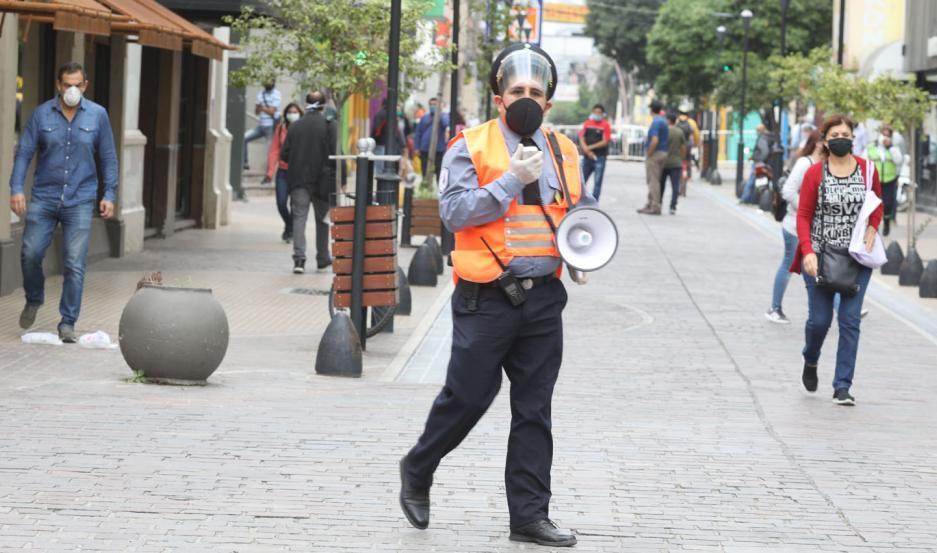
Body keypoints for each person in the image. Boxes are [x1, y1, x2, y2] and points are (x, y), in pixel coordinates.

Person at [399, 43, 596, 548]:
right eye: (517, 91)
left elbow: (579, 211)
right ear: (498, 97)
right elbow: (456, 214)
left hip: (543, 300)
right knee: (467, 397)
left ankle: (529, 517)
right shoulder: (471, 146)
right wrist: (512, 179)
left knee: (534, 409)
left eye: (535, 91)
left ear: (549, 101)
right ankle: (418, 467)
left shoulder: (565, 150)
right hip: (485, 297)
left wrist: (580, 253)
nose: (526, 99)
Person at [9, 62, 118, 343]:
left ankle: (67, 322)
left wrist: (109, 194)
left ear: (85, 85)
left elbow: (107, 157)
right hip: (44, 196)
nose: (72, 90)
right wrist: (16, 188)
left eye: (77, 85)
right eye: (67, 84)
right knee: (30, 253)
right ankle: (34, 298)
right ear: (58, 85)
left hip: (81, 199)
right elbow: (24, 153)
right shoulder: (41, 114)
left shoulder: (98, 116)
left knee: (74, 263)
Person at [790, 114, 882, 406]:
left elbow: (877, 205)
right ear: (826, 140)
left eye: (847, 133)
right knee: (820, 321)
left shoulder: (868, 171)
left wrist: (871, 228)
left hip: (856, 257)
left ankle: (843, 385)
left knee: (850, 320)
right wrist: (807, 251)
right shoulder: (815, 173)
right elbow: (803, 215)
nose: (842, 137)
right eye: (836, 134)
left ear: (853, 139)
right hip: (819, 256)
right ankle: (811, 357)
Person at [767, 130, 824, 324]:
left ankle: (844, 308)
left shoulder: (828, 166)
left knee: (821, 268)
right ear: (818, 143)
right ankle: (774, 308)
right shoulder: (805, 163)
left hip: (814, 228)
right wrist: (808, 209)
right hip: (794, 226)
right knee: (789, 265)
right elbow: (788, 191)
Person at [281, 91, 334, 274]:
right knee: (322, 221)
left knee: (299, 218)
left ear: (306, 104)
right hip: (322, 182)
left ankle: (299, 260)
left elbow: (284, 154)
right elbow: (336, 156)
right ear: (323, 105)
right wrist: (339, 181)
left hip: (299, 181)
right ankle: (322, 258)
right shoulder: (329, 126)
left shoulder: (295, 126)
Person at [265, 102, 304, 243]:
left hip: (298, 172)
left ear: (300, 114)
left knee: (295, 204)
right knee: (281, 203)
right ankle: (289, 225)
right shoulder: (281, 129)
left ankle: (290, 231)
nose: (292, 114)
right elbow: (274, 150)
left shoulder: (303, 129)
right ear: (286, 114)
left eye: (295, 112)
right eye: (290, 112)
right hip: (282, 171)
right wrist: (270, 171)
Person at [864, 126, 902, 236]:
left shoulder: (894, 148)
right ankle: (873, 226)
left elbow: (898, 160)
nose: (885, 137)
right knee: (874, 204)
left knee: (888, 204)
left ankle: (886, 222)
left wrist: (890, 147)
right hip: (874, 180)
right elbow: (864, 160)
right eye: (883, 134)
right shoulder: (871, 147)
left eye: (888, 135)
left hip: (889, 180)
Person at [638, 100, 668, 215]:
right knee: (654, 180)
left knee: (653, 181)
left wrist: (649, 153)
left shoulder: (656, 122)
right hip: (663, 152)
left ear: (651, 110)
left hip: (655, 154)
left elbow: (655, 140)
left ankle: (654, 205)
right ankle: (650, 203)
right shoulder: (663, 121)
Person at [243, 80, 280, 170]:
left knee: (270, 149)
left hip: (271, 126)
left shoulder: (276, 93)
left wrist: (262, 108)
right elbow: (256, 111)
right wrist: (265, 109)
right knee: (244, 138)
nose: (268, 83)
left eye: (270, 81)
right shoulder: (260, 94)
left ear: (274, 82)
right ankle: (245, 163)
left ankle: (270, 171)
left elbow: (272, 111)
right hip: (261, 125)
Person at [578, 103, 612, 201]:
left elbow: (605, 141)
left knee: (597, 182)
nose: (597, 114)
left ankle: (594, 202)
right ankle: (579, 201)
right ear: (592, 112)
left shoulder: (605, 125)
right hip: (587, 157)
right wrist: (587, 151)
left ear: (602, 114)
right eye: (595, 112)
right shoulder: (587, 123)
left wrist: (589, 148)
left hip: (600, 157)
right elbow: (581, 137)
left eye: (599, 112)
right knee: (581, 181)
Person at [414, 98, 450, 184]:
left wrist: (440, 113)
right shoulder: (424, 118)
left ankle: (438, 187)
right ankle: (425, 184)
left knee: (438, 170)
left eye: (435, 104)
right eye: (431, 104)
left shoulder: (443, 116)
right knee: (425, 169)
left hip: (439, 148)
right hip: (425, 148)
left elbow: (446, 124)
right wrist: (417, 147)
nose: (432, 106)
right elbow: (418, 133)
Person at [659, 112, 686, 215]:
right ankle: (673, 206)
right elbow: (683, 147)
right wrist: (681, 158)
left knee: (661, 184)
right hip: (676, 163)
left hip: (664, 162)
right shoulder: (679, 132)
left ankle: (659, 203)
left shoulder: (664, 131)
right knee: (675, 186)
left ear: (668, 120)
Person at [741, 123, 772, 204]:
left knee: (752, 181)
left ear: (762, 129)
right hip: (763, 162)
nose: (756, 132)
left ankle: (745, 199)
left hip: (759, 163)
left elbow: (765, 151)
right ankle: (753, 199)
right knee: (759, 181)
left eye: (758, 130)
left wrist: (757, 158)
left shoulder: (762, 138)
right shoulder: (768, 137)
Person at [676, 111, 700, 189]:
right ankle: (688, 175)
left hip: (679, 145)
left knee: (679, 160)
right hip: (688, 144)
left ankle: (678, 175)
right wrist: (696, 143)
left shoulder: (677, 121)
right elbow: (696, 134)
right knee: (688, 159)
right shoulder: (691, 122)